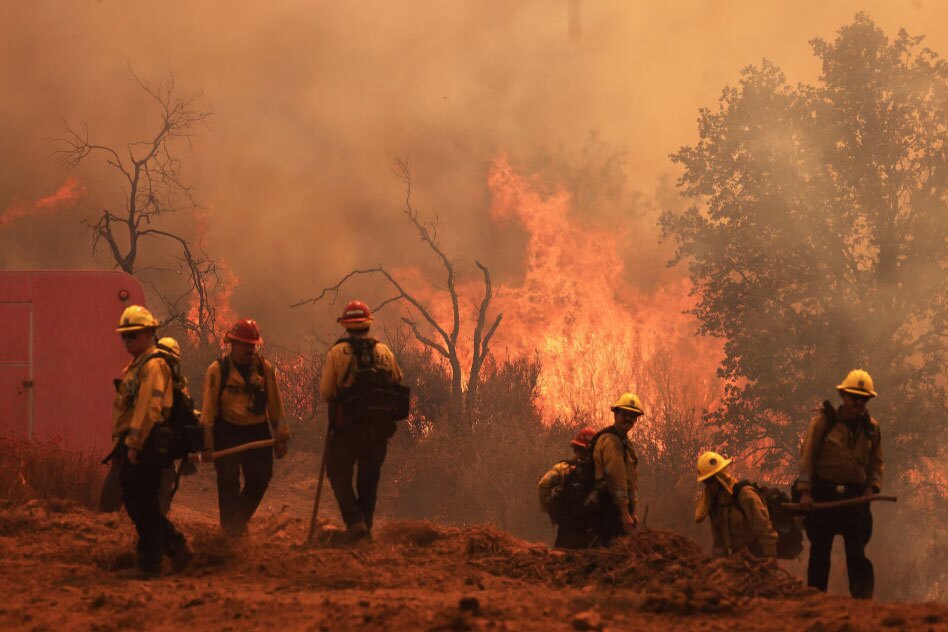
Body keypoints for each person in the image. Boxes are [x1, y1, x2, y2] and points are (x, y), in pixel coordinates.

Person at [111, 305, 191, 576]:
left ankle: (151, 562)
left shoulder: (154, 365)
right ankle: (175, 547)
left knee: (141, 503)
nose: (127, 340)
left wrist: (135, 444)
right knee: (138, 502)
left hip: (146, 443)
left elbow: (149, 407)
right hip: (137, 442)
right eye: (125, 335)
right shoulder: (138, 365)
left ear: (149, 333)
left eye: (133, 335)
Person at [319, 300, 404, 542]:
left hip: (348, 429)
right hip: (378, 430)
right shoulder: (384, 352)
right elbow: (397, 380)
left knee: (336, 471)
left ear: (345, 326)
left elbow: (327, 392)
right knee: (369, 478)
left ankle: (355, 522)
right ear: (368, 325)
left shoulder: (337, 353)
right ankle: (365, 527)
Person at [797, 369, 883, 599]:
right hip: (824, 492)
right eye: (854, 397)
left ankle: (861, 600)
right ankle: (816, 598)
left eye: (863, 398)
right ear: (843, 396)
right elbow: (807, 459)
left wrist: (871, 488)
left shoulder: (871, 429)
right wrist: (805, 493)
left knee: (857, 549)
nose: (859, 402)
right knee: (820, 550)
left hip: (854, 497)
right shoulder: (823, 423)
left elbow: (877, 463)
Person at [200, 319, 290, 536]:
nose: (250, 350)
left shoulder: (264, 370)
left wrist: (281, 435)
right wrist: (208, 445)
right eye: (245, 345)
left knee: (260, 478)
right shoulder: (217, 370)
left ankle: (235, 526)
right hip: (227, 431)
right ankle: (229, 532)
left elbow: (275, 406)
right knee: (228, 479)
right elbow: (208, 411)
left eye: (253, 345)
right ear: (232, 344)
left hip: (256, 432)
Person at [694, 451, 778, 558]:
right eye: (706, 482)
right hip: (737, 558)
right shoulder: (715, 504)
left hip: (758, 555)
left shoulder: (745, 495)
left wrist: (770, 561)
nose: (709, 486)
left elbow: (765, 531)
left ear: (720, 477)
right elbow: (719, 543)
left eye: (711, 480)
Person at [591, 393, 643, 545]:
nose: (628, 419)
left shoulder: (625, 443)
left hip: (618, 509)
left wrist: (633, 510)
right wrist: (625, 513)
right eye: (624, 414)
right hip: (607, 507)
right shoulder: (611, 441)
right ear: (615, 414)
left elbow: (630, 481)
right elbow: (616, 479)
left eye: (633, 416)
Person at [537, 427, 599, 549]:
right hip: (594, 537)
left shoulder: (564, 468)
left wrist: (551, 511)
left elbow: (543, 485)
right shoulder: (602, 472)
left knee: (560, 565)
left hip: (568, 534)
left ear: (576, 448)